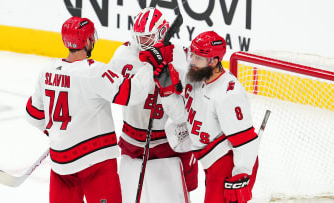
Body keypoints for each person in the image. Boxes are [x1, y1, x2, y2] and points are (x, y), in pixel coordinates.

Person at [25, 16, 156, 203]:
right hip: (96, 163)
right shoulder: (94, 72)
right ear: (87, 41)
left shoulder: (47, 71)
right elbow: (132, 94)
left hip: (61, 165)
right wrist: (151, 66)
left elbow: (33, 115)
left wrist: (56, 132)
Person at [154, 31, 259, 203]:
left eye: (198, 58)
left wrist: (241, 176)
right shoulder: (196, 77)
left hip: (227, 163)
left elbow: (245, 140)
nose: (192, 62)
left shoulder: (228, 94)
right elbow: (181, 117)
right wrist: (167, 93)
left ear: (214, 61)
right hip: (210, 161)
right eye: (192, 55)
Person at [108, 7, 198, 203]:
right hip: (131, 142)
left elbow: (184, 115)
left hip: (168, 144)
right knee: (127, 196)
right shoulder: (124, 54)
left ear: (161, 33)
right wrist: (151, 67)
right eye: (138, 38)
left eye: (147, 38)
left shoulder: (181, 59)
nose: (141, 43)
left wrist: (167, 90)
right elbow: (113, 94)